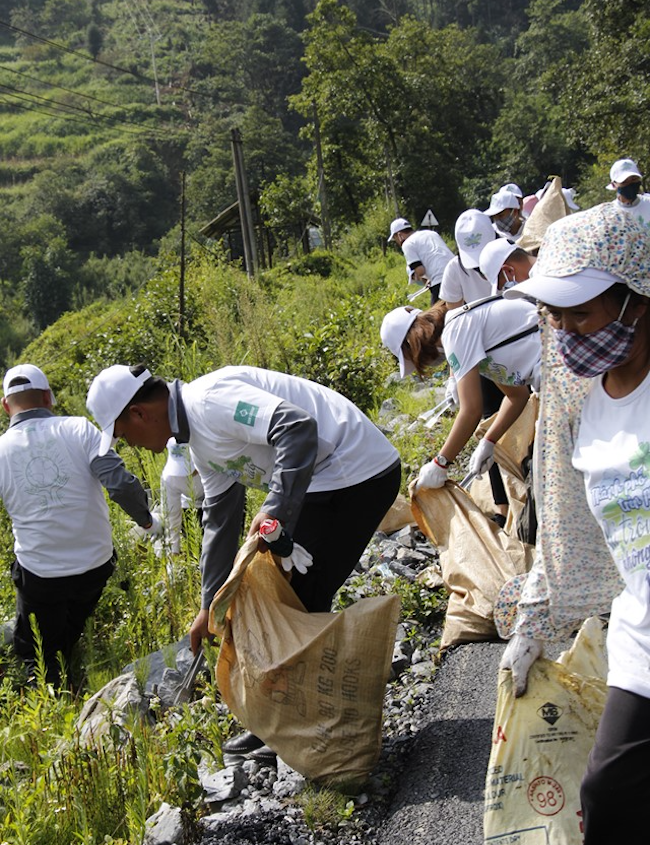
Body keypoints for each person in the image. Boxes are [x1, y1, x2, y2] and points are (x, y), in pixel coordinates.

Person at [86, 363, 401, 762]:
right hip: (326, 481)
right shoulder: (198, 441)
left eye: (125, 437)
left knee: (290, 598)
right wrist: (207, 607)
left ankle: (298, 725)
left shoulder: (210, 401)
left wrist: (275, 509)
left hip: (354, 472)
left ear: (139, 414)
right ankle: (301, 719)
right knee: (283, 594)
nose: (132, 446)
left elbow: (297, 428)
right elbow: (219, 520)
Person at [497, 201, 650, 844]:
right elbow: (573, 524)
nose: (564, 332)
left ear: (637, 299)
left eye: (580, 314)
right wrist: (534, 619)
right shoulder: (586, 400)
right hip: (642, 636)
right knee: (607, 798)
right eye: (553, 316)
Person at [0, 364, 158, 686]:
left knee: (36, 652)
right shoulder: (80, 430)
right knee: (66, 626)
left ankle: (47, 684)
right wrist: (146, 520)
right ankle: (63, 644)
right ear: (49, 397)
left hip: (40, 577)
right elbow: (120, 485)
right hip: (95, 567)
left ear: (5, 406)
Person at [380, 297, 540, 493]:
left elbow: (471, 410)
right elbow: (517, 397)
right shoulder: (459, 331)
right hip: (551, 377)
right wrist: (488, 441)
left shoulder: (456, 331)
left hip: (561, 369)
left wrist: (441, 463)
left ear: (411, 343)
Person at [388, 217, 454, 303]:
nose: (397, 242)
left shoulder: (407, 244)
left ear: (399, 235)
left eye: (395, 238)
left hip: (440, 280)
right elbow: (438, 256)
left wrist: (417, 276)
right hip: (458, 271)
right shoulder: (431, 233)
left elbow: (420, 271)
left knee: (436, 314)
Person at [158, 437, 204, 556]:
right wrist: (174, 551)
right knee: (196, 551)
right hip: (189, 505)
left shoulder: (211, 465)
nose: (184, 475)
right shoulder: (169, 477)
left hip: (218, 498)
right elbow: (171, 516)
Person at [606, 156, 650, 228]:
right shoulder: (610, 215)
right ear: (614, 185)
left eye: (634, 179)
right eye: (624, 181)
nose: (630, 184)